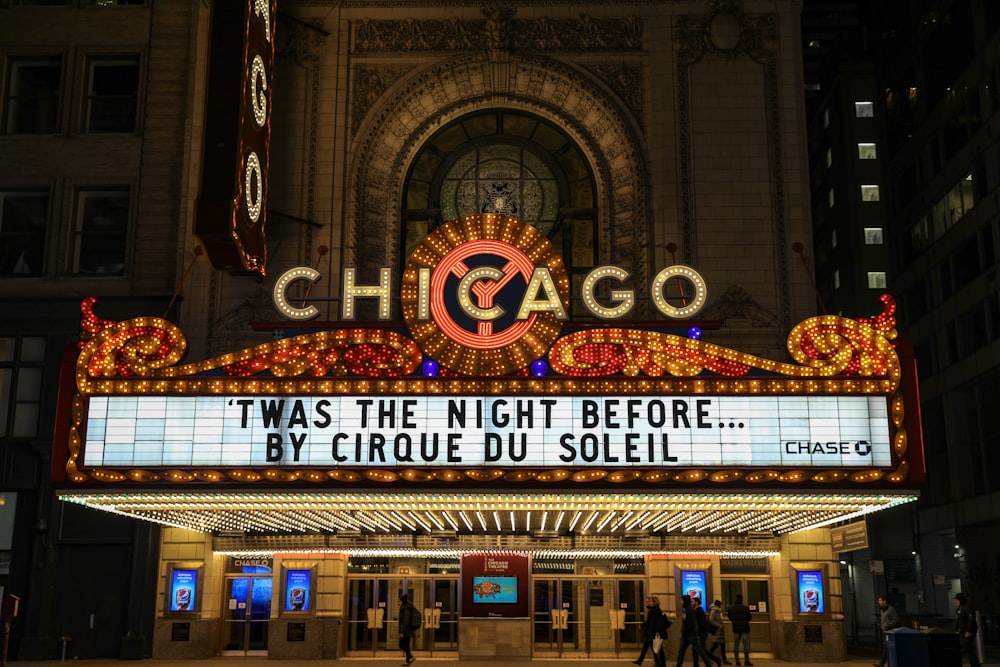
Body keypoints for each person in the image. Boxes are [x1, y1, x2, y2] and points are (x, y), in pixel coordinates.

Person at [675, 594, 721, 667]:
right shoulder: (688, 610)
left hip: (693, 634)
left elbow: (692, 623)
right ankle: (684, 664)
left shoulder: (691, 611)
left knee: (700, 650)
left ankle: (710, 663)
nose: (680, 602)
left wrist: (685, 630)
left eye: (681, 600)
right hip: (688, 635)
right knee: (684, 650)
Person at [635, 595, 671, 666]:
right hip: (650, 632)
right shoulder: (652, 610)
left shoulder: (656, 611)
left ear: (654, 602)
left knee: (657, 649)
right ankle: (656, 663)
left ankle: (660, 663)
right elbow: (649, 621)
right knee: (654, 648)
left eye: (650, 601)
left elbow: (658, 622)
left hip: (654, 633)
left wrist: (657, 631)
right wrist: (642, 625)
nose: (648, 602)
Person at [954, 593, 981, 667]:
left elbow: (971, 620)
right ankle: (974, 664)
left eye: (957, 600)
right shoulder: (960, 607)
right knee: (966, 648)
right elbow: (959, 619)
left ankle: (976, 665)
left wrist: (969, 630)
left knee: (967, 647)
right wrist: (957, 628)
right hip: (962, 630)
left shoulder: (968, 607)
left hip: (968, 630)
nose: (956, 601)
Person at [727, 594, 753, 666]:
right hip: (745, 628)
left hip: (736, 628)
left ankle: (737, 661)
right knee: (746, 645)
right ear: (741, 600)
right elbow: (750, 617)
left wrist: (734, 621)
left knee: (736, 645)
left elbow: (729, 616)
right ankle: (746, 661)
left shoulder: (731, 608)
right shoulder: (745, 608)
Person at [874, 595, 900, 667]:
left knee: (886, 647)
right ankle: (884, 663)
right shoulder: (882, 609)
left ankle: (882, 663)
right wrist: (880, 623)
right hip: (885, 631)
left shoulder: (891, 609)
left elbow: (896, 619)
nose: (878, 602)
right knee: (885, 648)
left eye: (880, 600)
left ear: (884, 601)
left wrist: (888, 625)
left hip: (889, 631)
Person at [707, 599, 732, 664]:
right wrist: (719, 625)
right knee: (716, 645)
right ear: (719, 605)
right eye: (721, 604)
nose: (722, 606)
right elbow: (711, 620)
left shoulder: (717, 611)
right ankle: (708, 657)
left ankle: (724, 659)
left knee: (721, 645)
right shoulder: (714, 611)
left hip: (719, 631)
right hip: (718, 630)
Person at [398, 592, 418, 666]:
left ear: (402, 601)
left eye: (399, 601)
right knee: (406, 645)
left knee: (401, 644)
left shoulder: (406, 608)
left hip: (406, 631)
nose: (398, 602)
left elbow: (405, 621)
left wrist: (402, 632)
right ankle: (407, 661)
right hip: (407, 630)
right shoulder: (406, 607)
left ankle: (411, 657)